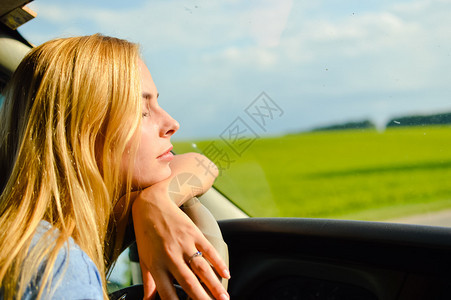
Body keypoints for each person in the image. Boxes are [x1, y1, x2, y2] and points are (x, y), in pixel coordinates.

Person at [0, 34, 230, 300]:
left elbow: (201, 164)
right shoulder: (56, 268)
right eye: (141, 112)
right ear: (79, 133)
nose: (171, 123)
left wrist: (156, 200)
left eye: (157, 103)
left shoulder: (34, 238)